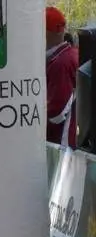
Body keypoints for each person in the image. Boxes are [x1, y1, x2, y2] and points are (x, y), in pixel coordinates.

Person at [46, 6, 78, 147]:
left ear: (47, 33)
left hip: (61, 143)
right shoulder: (72, 54)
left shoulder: (60, 63)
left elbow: (56, 114)